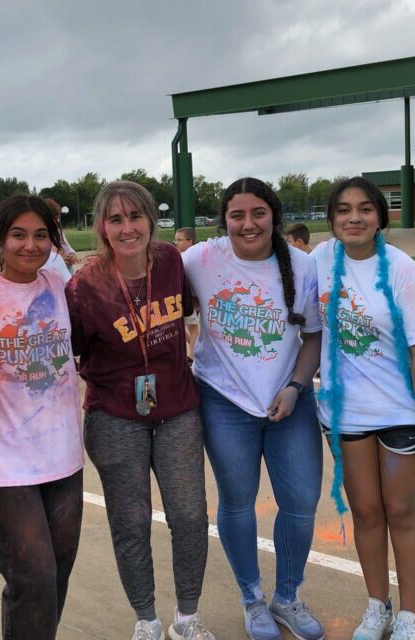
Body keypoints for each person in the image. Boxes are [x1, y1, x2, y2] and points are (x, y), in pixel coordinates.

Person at [65, 181, 215, 640]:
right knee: (130, 522)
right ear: (102, 228)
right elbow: (70, 352)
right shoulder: (84, 287)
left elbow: (188, 316)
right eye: (116, 219)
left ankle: (186, 618)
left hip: (177, 410)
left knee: (189, 516)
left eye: (136, 217)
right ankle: (146, 619)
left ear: (152, 220)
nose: (127, 228)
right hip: (114, 419)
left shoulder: (170, 261)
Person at [182, 177, 325, 640]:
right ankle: (252, 598)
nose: (248, 224)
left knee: (301, 503)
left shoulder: (303, 267)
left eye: (258, 213)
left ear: (273, 216)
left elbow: (314, 337)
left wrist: (297, 386)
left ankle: (287, 597)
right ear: (223, 220)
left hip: (290, 400)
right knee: (238, 503)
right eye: (237, 215)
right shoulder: (201, 259)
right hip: (224, 400)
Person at [312, 177, 415, 640]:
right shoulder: (319, 262)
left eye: (365, 209)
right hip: (346, 416)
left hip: (401, 414)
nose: (354, 218)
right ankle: (377, 607)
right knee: (367, 514)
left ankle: (411, 615)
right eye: (344, 210)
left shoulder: (402, 269)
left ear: (380, 216)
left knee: (403, 513)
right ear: (331, 219)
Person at [0, 194, 82, 640]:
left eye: (41, 235)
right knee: (32, 577)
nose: (30, 245)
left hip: (65, 459)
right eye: (18, 235)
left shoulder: (61, 287)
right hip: (7, 466)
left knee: (57, 574)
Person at [175, 227, 200, 358]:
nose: (176, 243)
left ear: (189, 241)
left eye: (179, 240)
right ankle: (194, 354)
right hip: (187, 298)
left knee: (190, 328)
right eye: (176, 240)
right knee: (189, 328)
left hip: (189, 298)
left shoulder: (186, 256)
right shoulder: (191, 256)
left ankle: (192, 357)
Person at [44, 198, 81, 272]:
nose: (57, 220)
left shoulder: (57, 231)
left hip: (66, 269)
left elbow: (66, 246)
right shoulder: (40, 235)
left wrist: (72, 254)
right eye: (55, 217)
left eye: (58, 217)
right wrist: (57, 262)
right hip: (51, 272)